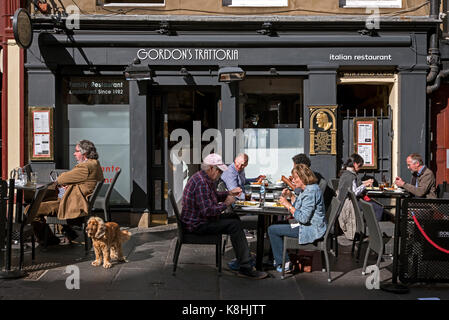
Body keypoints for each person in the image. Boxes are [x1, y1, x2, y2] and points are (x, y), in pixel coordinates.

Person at [181, 153, 268, 279]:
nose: (221, 174)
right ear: (211, 168)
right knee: (234, 224)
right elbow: (208, 211)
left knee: (233, 218)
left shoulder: (204, 178)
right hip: (197, 224)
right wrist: (226, 203)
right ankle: (245, 267)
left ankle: (242, 260)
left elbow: (213, 196)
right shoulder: (202, 183)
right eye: (219, 171)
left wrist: (229, 192)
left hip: (199, 220)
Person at [32, 140, 104, 245]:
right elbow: (78, 180)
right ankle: (69, 233)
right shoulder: (94, 163)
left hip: (72, 203)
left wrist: (69, 184)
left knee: (32, 210)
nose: (74, 154)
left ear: (84, 153)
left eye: (77, 151)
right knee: (46, 200)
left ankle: (49, 240)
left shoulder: (85, 167)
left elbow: (61, 179)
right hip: (75, 199)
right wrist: (72, 185)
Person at [267, 164, 327, 273]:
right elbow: (301, 207)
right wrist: (291, 196)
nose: (293, 181)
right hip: (308, 225)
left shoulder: (310, 191)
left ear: (303, 177)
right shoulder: (309, 188)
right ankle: (277, 258)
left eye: (295, 178)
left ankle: (284, 263)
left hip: (310, 229)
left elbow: (303, 218)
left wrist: (288, 205)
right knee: (279, 224)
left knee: (272, 229)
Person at [336, 153, 383, 239]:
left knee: (373, 205)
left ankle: (369, 227)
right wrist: (365, 185)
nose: (360, 167)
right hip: (350, 203)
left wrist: (365, 183)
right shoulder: (351, 175)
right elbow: (354, 192)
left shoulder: (346, 172)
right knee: (378, 208)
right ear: (354, 164)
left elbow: (353, 186)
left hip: (346, 201)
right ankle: (373, 231)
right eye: (360, 165)